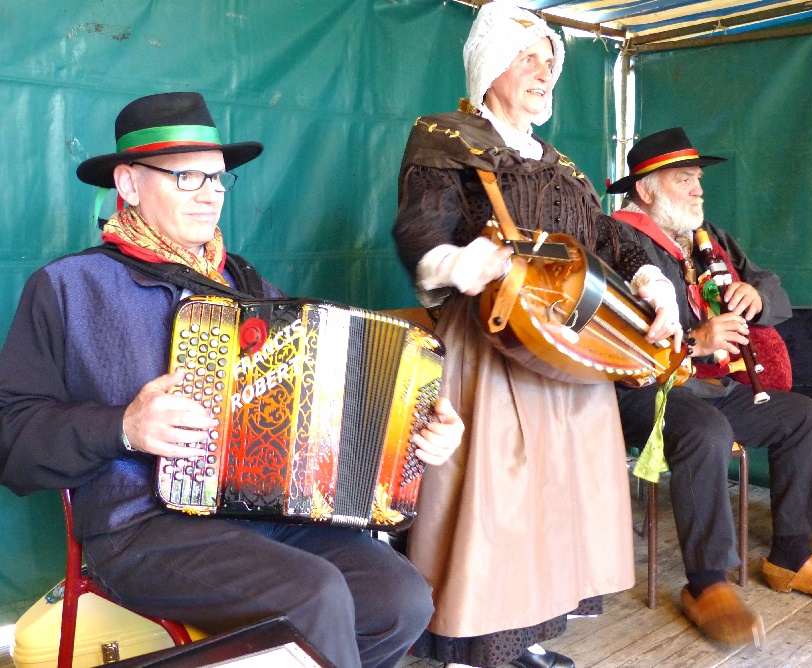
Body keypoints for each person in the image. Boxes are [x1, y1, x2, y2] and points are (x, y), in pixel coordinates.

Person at [0, 92, 466, 668]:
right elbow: (12, 440)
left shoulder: (246, 286)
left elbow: (326, 411)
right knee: (311, 596)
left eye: (219, 179)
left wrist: (412, 430)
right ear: (128, 183)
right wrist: (123, 427)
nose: (211, 193)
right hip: (140, 530)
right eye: (187, 176)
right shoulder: (68, 288)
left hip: (265, 514)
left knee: (400, 598)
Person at [392, 5, 683, 668]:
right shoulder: (446, 142)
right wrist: (453, 262)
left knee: (558, 498)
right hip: (493, 344)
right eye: (526, 57)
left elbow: (612, 242)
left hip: (571, 352)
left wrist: (654, 285)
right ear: (488, 68)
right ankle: (471, 645)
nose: (543, 69)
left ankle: (525, 638)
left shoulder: (567, 171)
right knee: (498, 499)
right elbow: (419, 231)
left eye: (548, 58)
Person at [607, 127, 812, 649]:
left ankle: (791, 557)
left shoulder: (710, 238)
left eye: (698, 180)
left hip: (714, 387)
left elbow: (774, 289)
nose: (698, 189)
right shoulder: (618, 240)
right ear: (645, 190)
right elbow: (615, 332)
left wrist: (754, 295)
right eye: (684, 179)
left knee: (800, 415)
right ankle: (707, 585)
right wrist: (694, 339)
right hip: (645, 387)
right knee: (705, 431)